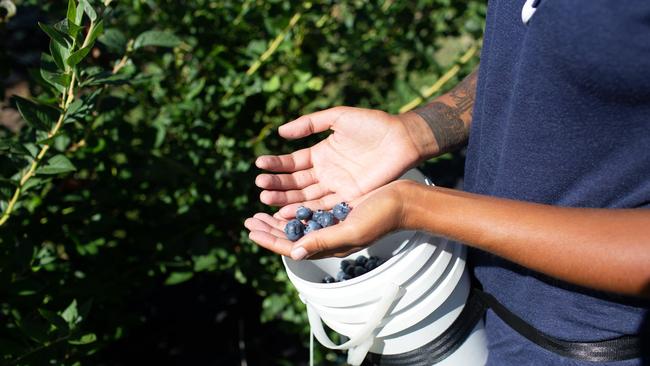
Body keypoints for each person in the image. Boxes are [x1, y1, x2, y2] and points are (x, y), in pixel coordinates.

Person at [245, 1, 650, 365]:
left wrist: (417, 207)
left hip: (587, 342)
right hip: (487, 291)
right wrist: (420, 131)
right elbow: (533, 48)